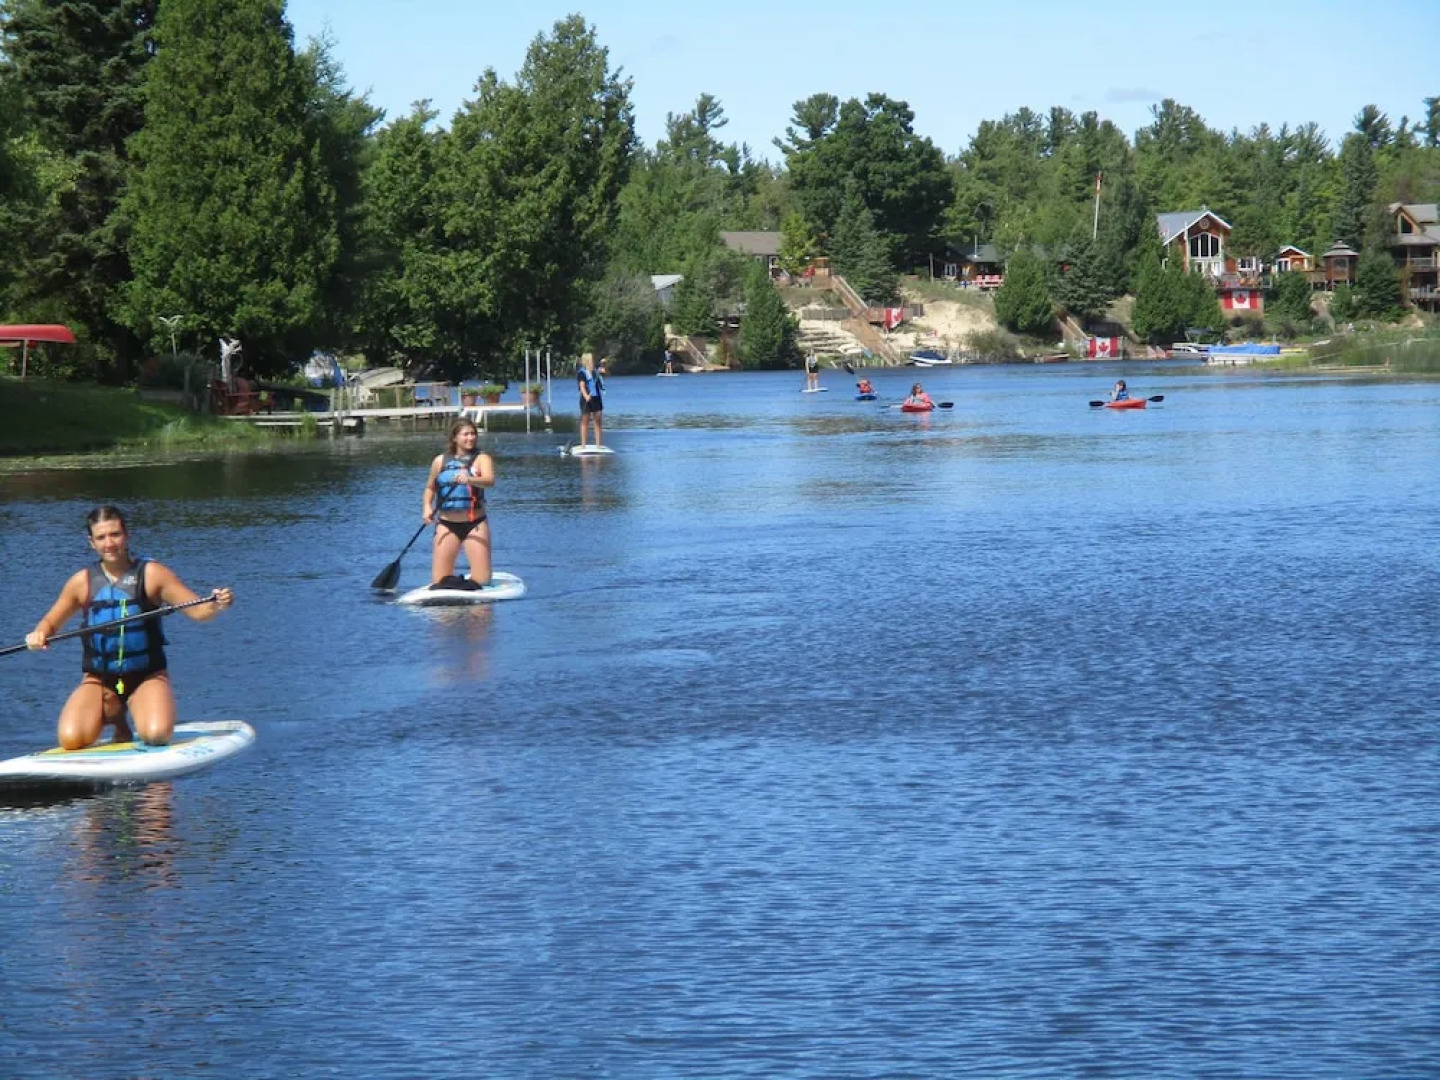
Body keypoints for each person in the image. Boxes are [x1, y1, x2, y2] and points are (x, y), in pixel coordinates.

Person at [25, 505, 233, 750]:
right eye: (101, 537)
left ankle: (133, 706)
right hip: (99, 679)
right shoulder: (81, 582)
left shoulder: (153, 574)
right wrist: (39, 634)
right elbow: (50, 623)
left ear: (127, 535)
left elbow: (199, 611)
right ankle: (116, 717)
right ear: (92, 542)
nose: (109, 543)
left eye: (115, 534)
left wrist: (217, 604)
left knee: (156, 735)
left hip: (146, 675)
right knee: (71, 739)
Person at [423, 418, 495, 589]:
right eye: (466, 434)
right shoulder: (440, 461)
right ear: (454, 437)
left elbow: (489, 481)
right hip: (446, 525)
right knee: (439, 581)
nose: (471, 438)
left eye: (473, 434)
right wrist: (427, 507)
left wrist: (470, 479)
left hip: (474, 525)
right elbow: (430, 488)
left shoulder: (482, 458)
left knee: (482, 581)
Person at [577, 355, 605, 446]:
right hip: (587, 399)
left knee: (598, 421)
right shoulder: (582, 372)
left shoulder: (595, 372)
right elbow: (582, 386)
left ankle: (598, 444)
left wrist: (603, 366)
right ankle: (583, 445)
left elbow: (603, 372)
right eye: (591, 360)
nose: (592, 362)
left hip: (596, 398)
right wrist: (586, 396)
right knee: (585, 422)